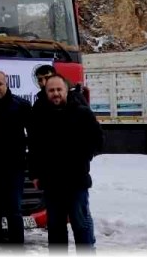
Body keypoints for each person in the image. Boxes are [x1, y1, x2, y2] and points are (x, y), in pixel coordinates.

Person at [28, 75, 104, 253]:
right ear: (46, 93)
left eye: (58, 90)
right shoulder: (39, 115)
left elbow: (98, 140)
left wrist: (82, 157)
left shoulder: (81, 112)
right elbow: (34, 147)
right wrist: (35, 173)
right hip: (51, 182)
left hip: (76, 181)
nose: (55, 94)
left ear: (66, 91)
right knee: (55, 228)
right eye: (51, 90)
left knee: (81, 225)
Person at [0, 70, 32, 245]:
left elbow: (34, 136)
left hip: (14, 168)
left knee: (14, 210)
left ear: (6, 83)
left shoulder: (21, 106)